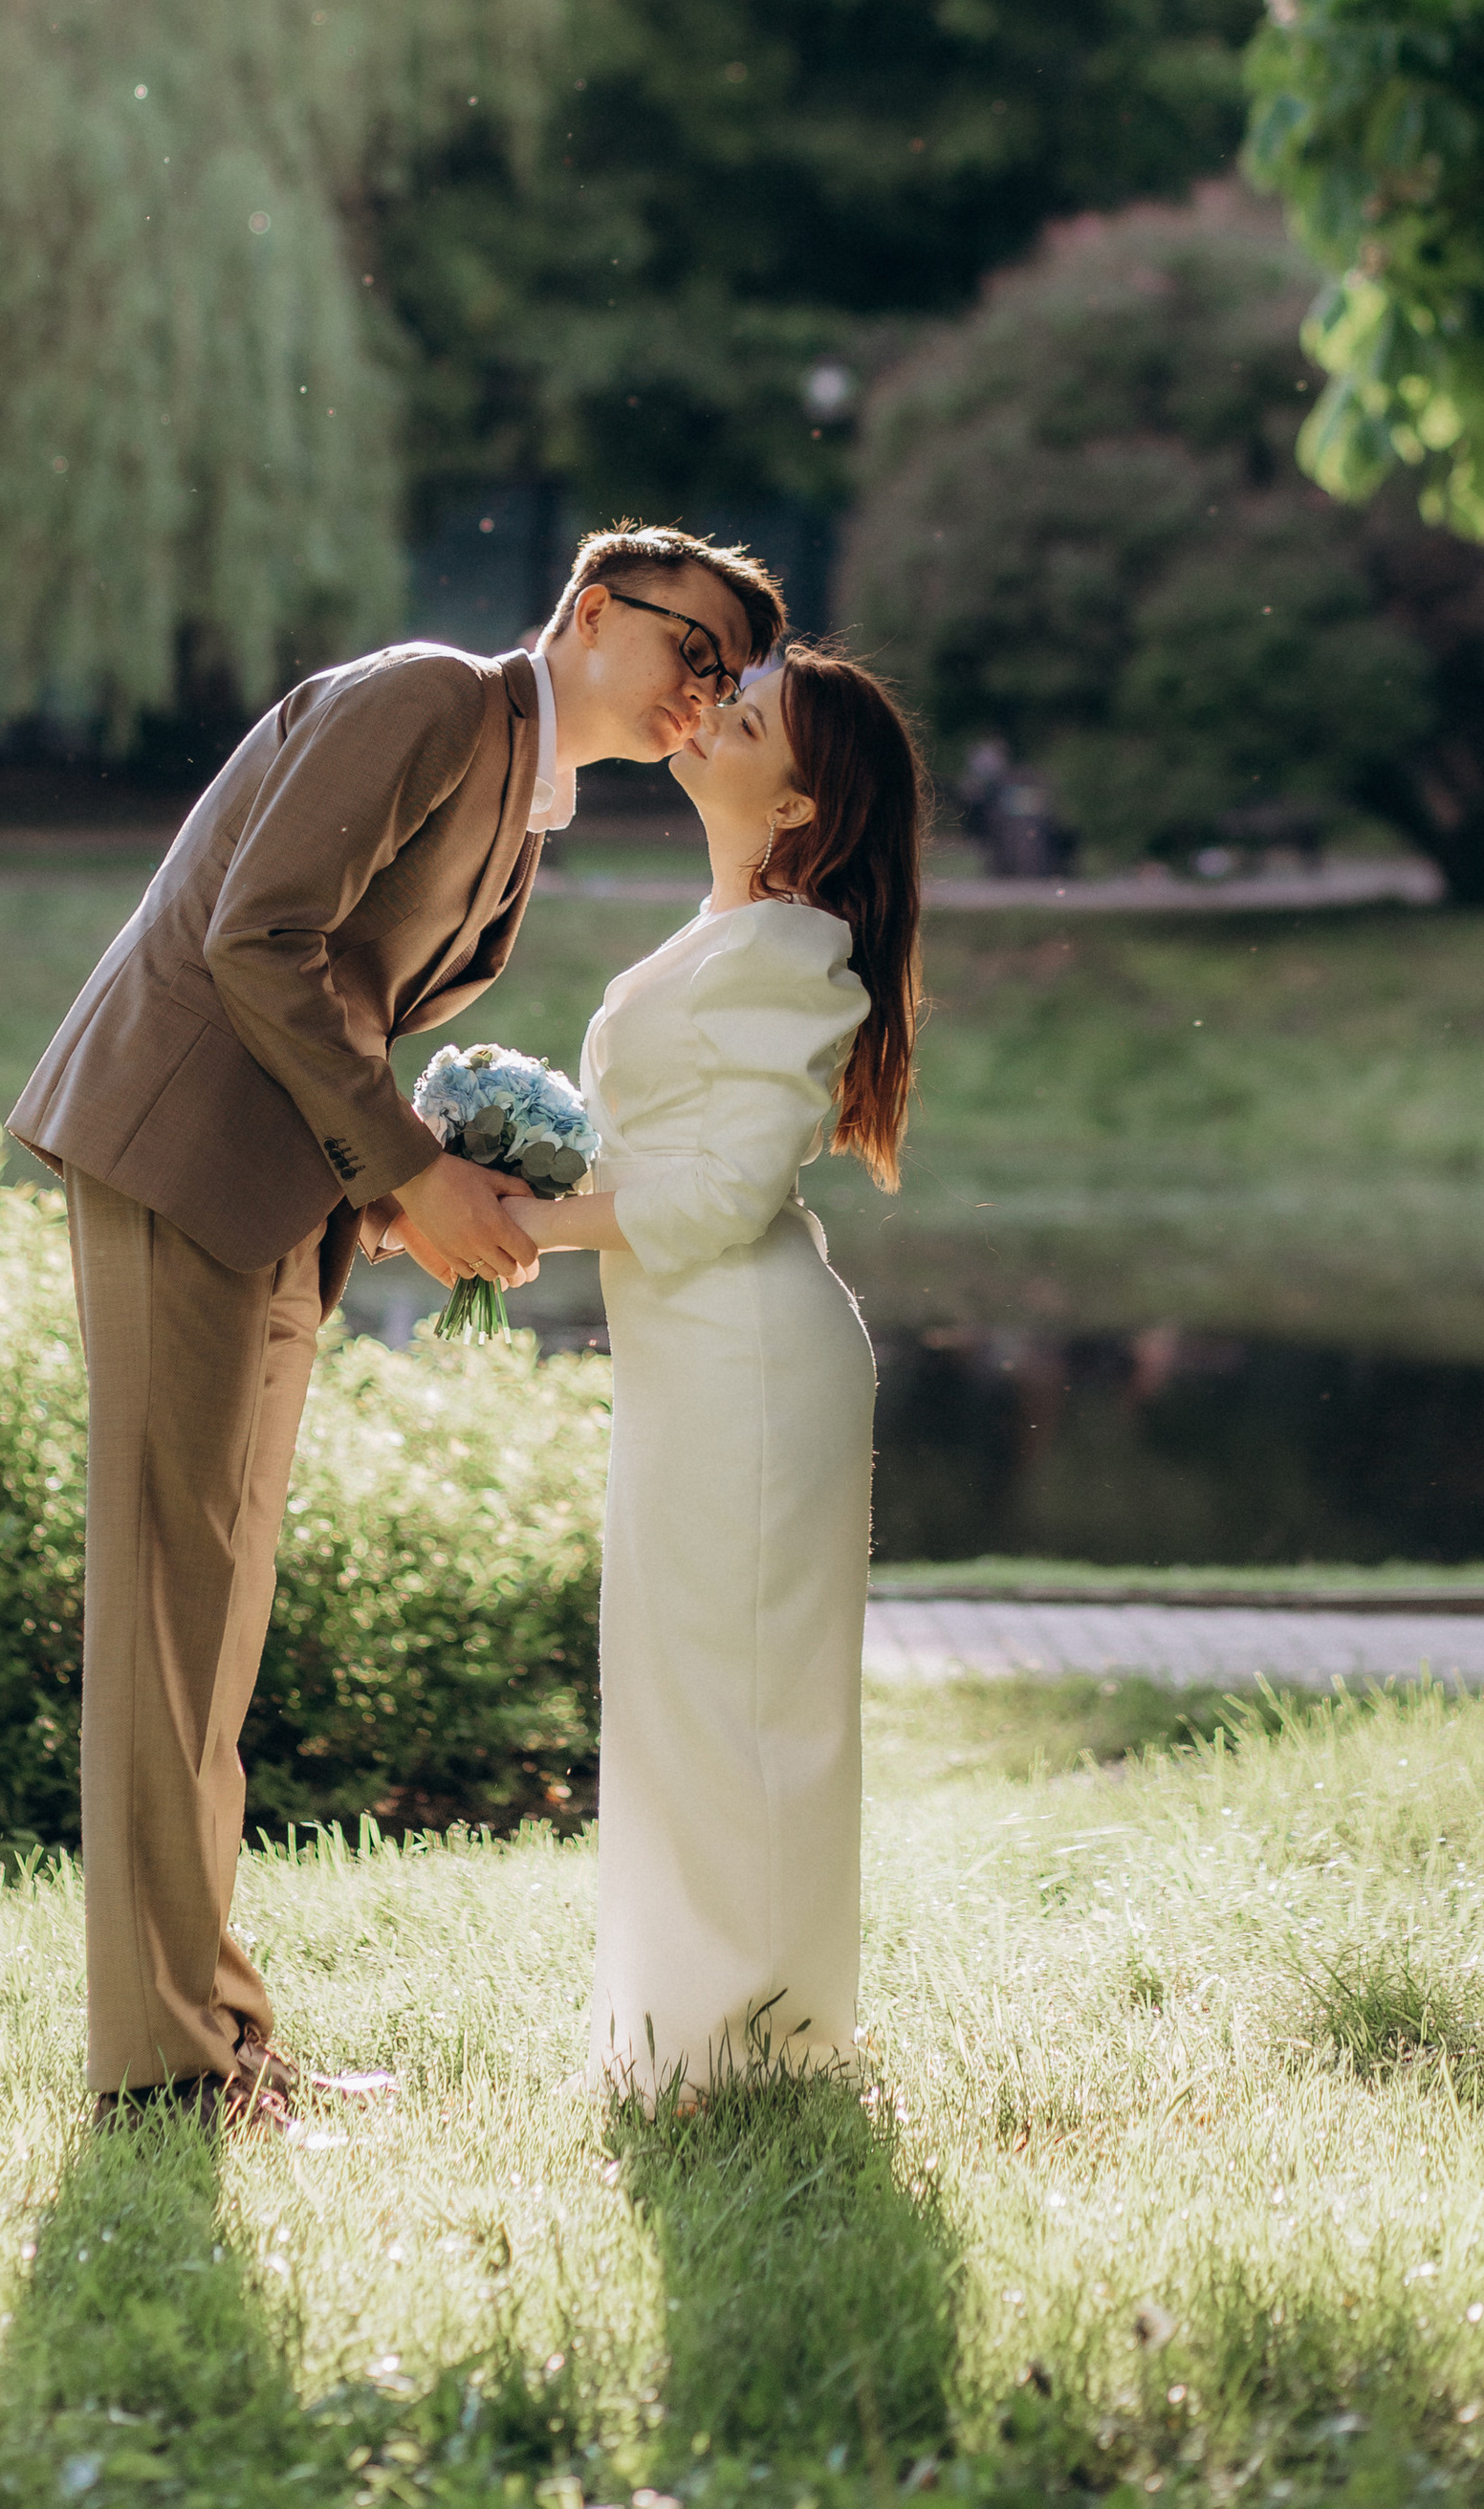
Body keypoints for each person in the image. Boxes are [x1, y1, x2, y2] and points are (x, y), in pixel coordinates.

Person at [8, 525, 787, 2134]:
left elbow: (347, 999)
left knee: (212, 1629)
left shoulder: (523, 789)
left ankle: (215, 2039)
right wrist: (416, 1171)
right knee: (169, 1624)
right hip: (180, 1164)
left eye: (732, 681)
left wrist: (397, 1193)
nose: (704, 700)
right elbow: (255, 940)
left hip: (273, 1197)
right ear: (590, 612)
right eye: (689, 655)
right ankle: (167, 2070)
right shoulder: (434, 696)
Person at [502, 644, 928, 2101]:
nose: (710, 717)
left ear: (800, 804)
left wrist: (528, 1223)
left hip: (749, 1360)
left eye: (744, 721)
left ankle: (753, 2039)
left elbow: (725, 1193)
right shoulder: (721, 932)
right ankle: (690, 2033)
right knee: (682, 1686)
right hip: (692, 1355)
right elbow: (664, 1156)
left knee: (742, 1696)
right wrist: (490, 1171)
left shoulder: (794, 952)